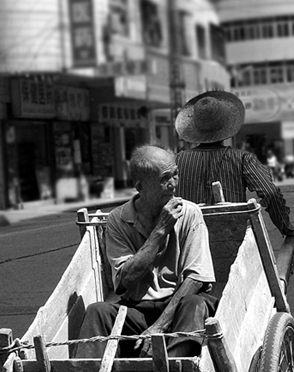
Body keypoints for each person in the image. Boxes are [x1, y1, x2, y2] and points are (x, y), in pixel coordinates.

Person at [76, 144, 217, 359]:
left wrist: (159, 327)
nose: (173, 185)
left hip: (178, 307)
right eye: (164, 179)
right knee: (98, 311)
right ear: (140, 186)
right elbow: (124, 282)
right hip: (137, 310)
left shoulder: (190, 213)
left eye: (175, 175)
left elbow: (195, 279)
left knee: (195, 304)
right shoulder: (118, 220)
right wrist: (159, 231)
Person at [175, 90, 294, 241]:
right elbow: (270, 193)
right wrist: (286, 228)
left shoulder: (177, 160)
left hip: (190, 240)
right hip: (232, 239)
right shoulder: (242, 159)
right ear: (226, 125)